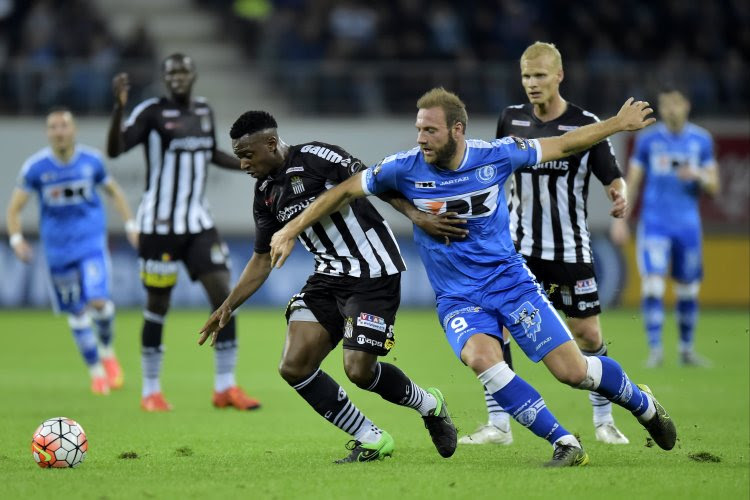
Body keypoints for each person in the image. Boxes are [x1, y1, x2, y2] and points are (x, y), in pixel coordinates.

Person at [269, 87, 678, 467]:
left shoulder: (496, 156)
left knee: (574, 373)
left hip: (510, 283)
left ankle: (643, 404)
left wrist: (616, 124)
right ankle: (564, 442)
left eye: (430, 130)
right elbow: (344, 190)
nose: (421, 138)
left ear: (457, 130)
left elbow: (565, 143)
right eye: (418, 130)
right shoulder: (403, 167)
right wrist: (291, 229)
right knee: (483, 359)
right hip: (457, 297)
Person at [198, 110, 457, 463]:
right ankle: (371, 438)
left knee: (359, 371)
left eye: (247, 154)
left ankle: (430, 404)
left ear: (271, 144)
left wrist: (417, 216)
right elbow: (261, 259)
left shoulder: (319, 158)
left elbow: (373, 182)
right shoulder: (265, 194)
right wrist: (228, 305)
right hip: (327, 277)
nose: (242, 164)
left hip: (373, 273)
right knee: (294, 366)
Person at [459, 42, 630, 447]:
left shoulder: (584, 123)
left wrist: (619, 194)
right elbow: (495, 171)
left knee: (586, 335)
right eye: (526, 76)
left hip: (569, 248)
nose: (532, 84)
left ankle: (603, 419)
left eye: (539, 76)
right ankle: (498, 424)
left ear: (559, 76)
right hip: (515, 247)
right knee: (493, 325)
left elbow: (611, 173)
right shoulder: (511, 119)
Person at [106, 53, 260, 412]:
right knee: (158, 305)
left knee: (225, 296)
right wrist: (117, 110)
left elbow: (210, 153)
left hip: (198, 224)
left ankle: (225, 387)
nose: (177, 76)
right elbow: (115, 150)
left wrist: (248, 163)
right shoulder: (150, 112)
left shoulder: (204, 110)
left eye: (183, 71)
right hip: (158, 226)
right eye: (170, 71)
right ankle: (151, 391)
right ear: (164, 77)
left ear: (194, 75)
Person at [6, 108, 137, 395]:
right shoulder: (36, 168)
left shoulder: (92, 161)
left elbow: (114, 192)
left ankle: (107, 351)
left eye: (64, 125)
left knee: (99, 302)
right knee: (76, 312)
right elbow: (15, 208)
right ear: (48, 133)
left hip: (91, 245)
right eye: (53, 126)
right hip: (57, 251)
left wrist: (130, 224)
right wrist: (16, 239)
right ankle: (95, 372)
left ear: (73, 130)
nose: (59, 131)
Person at [611, 85, 719, 367]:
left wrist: (698, 175)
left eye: (675, 104)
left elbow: (715, 187)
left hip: (687, 226)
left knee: (687, 290)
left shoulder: (701, 140)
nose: (670, 110)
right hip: (655, 224)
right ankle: (656, 350)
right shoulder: (648, 140)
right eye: (665, 105)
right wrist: (622, 219)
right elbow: (633, 182)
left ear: (686, 106)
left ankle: (686, 349)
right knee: (653, 286)